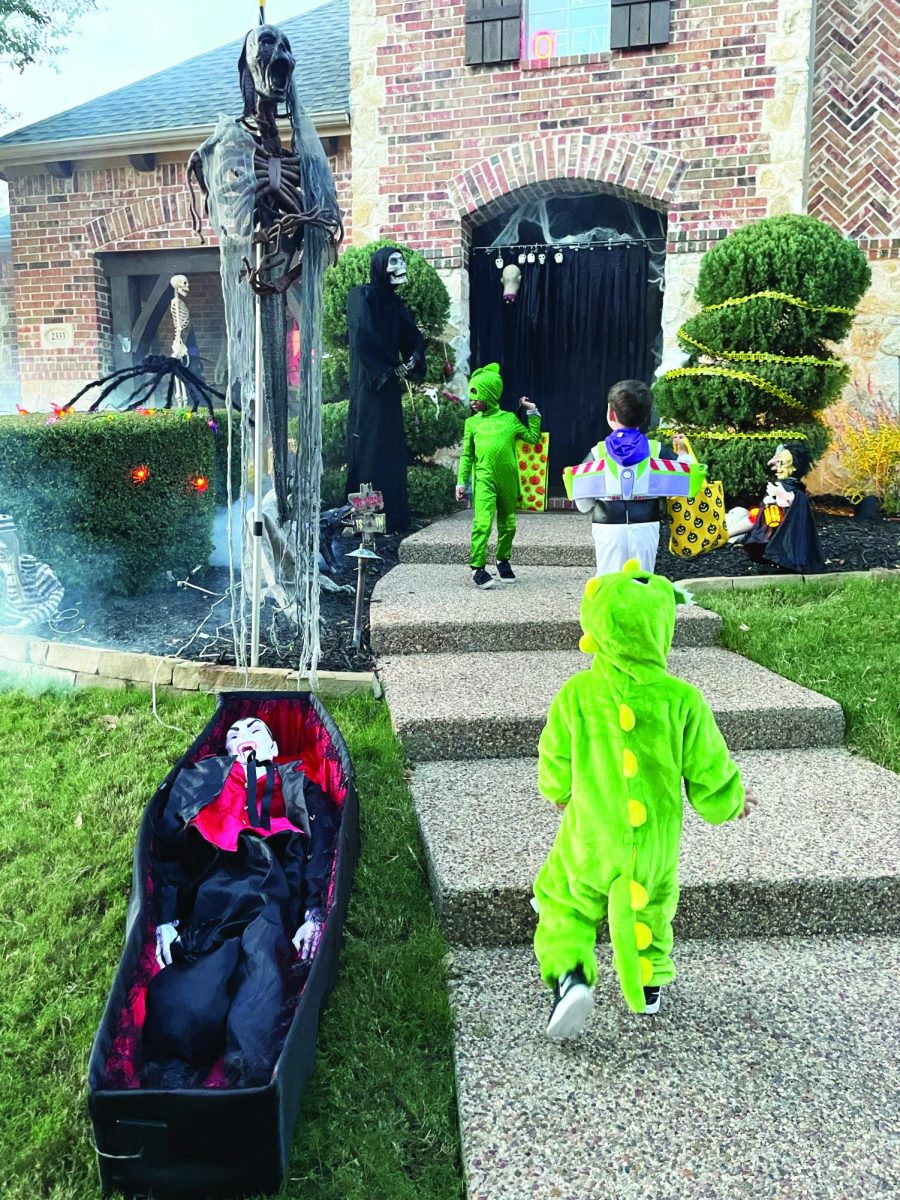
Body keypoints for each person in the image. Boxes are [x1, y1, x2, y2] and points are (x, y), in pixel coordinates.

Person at [532, 560, 756, 1039]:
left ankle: (570, 973)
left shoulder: (577, 693)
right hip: (654, 847)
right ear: (663, 627)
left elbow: (553, 751)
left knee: (561, 900)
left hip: (591, 837)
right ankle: (649, 983)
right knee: (652, 909)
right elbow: (708, 765)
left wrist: (558, 790)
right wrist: (731, 799)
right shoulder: (683, 699)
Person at [142, 716, 339, 1087]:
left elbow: (323, 844)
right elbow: (169, 850)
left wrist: (314, 912)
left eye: (255, 731)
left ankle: (251, 1069)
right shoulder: (204, 780)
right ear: (227, 749)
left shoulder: (295, 781)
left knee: (264, 955)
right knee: (202, 959)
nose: (243, 737)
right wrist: (166, 919)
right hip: (216, 881)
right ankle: (171, 1065)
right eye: (233, 734)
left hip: (274, 878)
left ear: (274, 749)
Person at [346, 246, 426, 534]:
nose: (399, 266)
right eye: (393, 262)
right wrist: (385, 369)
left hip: (389, 388)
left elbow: (412, 336)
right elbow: (362, 337)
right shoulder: (362, 296)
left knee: (391, 450)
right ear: (380, 267)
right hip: (369, 387)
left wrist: (414, 356)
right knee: (369, 449)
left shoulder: (396, 304)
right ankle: (367, 522)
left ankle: (392, 518)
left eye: (401, 261)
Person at [574, 379, 680, 576]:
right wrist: (684, 453)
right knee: (642, 582)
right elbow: (686, 479)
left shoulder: (598, 453)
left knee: (609, 584)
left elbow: (583, 504)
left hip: (607, 526)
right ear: (646, 415)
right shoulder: (656, 450)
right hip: (646, 525)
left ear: (611, 413)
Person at [454, 362, 541, 589]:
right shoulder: (471, 423)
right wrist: (461, 481)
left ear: (491, 394)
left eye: (477, 395)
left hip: (509, 480)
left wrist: (531, 410)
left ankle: (503, 559)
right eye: (471, 396)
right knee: (482, 523)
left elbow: (533, 437)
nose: (472, 401)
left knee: (508, 524)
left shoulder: (510, 419)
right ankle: (477, 568)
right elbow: (467, 455)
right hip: (484, 479)